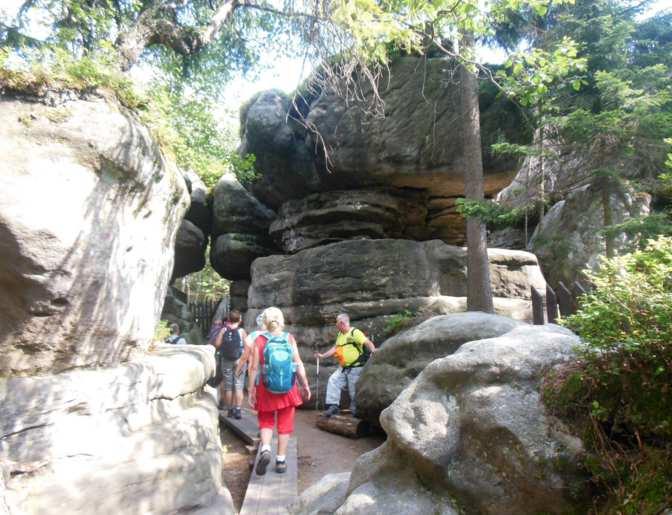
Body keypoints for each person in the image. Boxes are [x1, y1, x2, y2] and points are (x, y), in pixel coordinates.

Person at [248, 307, 311, 475]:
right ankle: (281, 460)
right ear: (281, 320)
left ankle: (266, 449)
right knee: (285, 424)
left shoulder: (259, 340)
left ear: (265, 321)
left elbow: (253, 367)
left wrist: (250, 389)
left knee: (266, 420)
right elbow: (298, 364)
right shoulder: (289, 338)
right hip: (287, 388)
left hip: (265, 387)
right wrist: (304, 384)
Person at [316, 313, 376, 418]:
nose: (336, 325)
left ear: (342, 323)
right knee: (333, 380)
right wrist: (323, 356)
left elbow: (367, 342)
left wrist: (374, 351)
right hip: (344, 367)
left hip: (356, 368)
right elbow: (335, 348)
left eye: (337, 322)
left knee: (353, 391)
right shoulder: (340, 334)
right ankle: (333, 406)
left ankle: (356, 414)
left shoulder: (354, 332)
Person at [214, 310, 248, 419]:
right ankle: (237, 410)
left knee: (228, 387)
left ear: (229, 319)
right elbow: (248, 348)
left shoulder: (224, 330)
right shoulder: (242, 331)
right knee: (239, 385)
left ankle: (229, 409)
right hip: (239, 361)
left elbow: (217, 344)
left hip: (226, 360)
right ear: (240, 319)